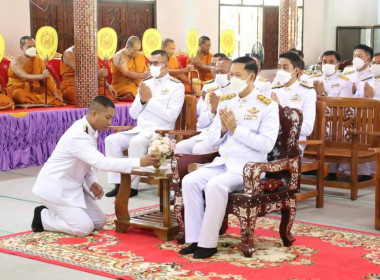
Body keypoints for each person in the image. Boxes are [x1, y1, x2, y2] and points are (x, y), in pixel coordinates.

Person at [179, 56, 279, 259]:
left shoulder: (267, 106)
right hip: (224, 162)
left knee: (215, 186)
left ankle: (208, 244)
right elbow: (214, 139)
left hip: (249, 167)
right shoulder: (226, 101)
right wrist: (224, 130)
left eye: (237, 75)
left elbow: (266, 145)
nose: (232, 78)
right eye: (231, 74)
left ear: (251, 77)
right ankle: (195, 239)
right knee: (190, 181)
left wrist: (235, 129)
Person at [31, 96, 160, 236]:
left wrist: (91, 182)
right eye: (107, 117)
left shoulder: (89, 129)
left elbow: (88, 160)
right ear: (94, 114)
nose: (110, 122)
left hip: (73, 186)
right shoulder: (78, 135)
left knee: (99, 222)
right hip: (55, 188)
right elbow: (101, 162)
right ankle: (43, 216)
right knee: (83, 229)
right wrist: (139, 161)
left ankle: (62, 213)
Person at [105, 50, 185, 198]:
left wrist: (150, 100)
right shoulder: (145, 83)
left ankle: (132, 187)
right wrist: (142, 100)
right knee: (111, 141)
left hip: (160, 132)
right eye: (150, 62)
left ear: (166, 65)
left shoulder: (176, 86)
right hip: (140, 129)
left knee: (136, 142)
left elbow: (170, 116)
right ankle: (119, 184)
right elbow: (133, 114)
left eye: (156, 63)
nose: (152, 65)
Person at [175, 57, 233, 154]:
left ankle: (199, 169)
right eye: (217, 72)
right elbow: (201, 122)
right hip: (208, 133)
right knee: (180, 147)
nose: (218, 75)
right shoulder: (211, 91)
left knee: (199, 149)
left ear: (231, 73)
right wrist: (212, 111)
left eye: (222, 72)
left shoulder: (236, 92)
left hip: (225, 135)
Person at [271, 51, 316, 153]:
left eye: (285, 67)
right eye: (279, 67)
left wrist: (280, 108)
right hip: (270, 138)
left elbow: (307, 129)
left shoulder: (307, 92)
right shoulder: (273, 90)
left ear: (296, 70)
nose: (281, 71)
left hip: (293, 143)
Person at [7, 36, 63, 106]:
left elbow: (46, 78)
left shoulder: (38, 59)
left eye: (34, 46)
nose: (32, 49)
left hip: (36, 88)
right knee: (18, 95)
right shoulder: (16, 62)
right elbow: (24, 76)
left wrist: (55, 93)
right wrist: (41, 76)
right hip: (20, 88)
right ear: (22, 48)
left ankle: (44, 100)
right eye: (29, 46)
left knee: (56, 93)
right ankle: (47, 100)